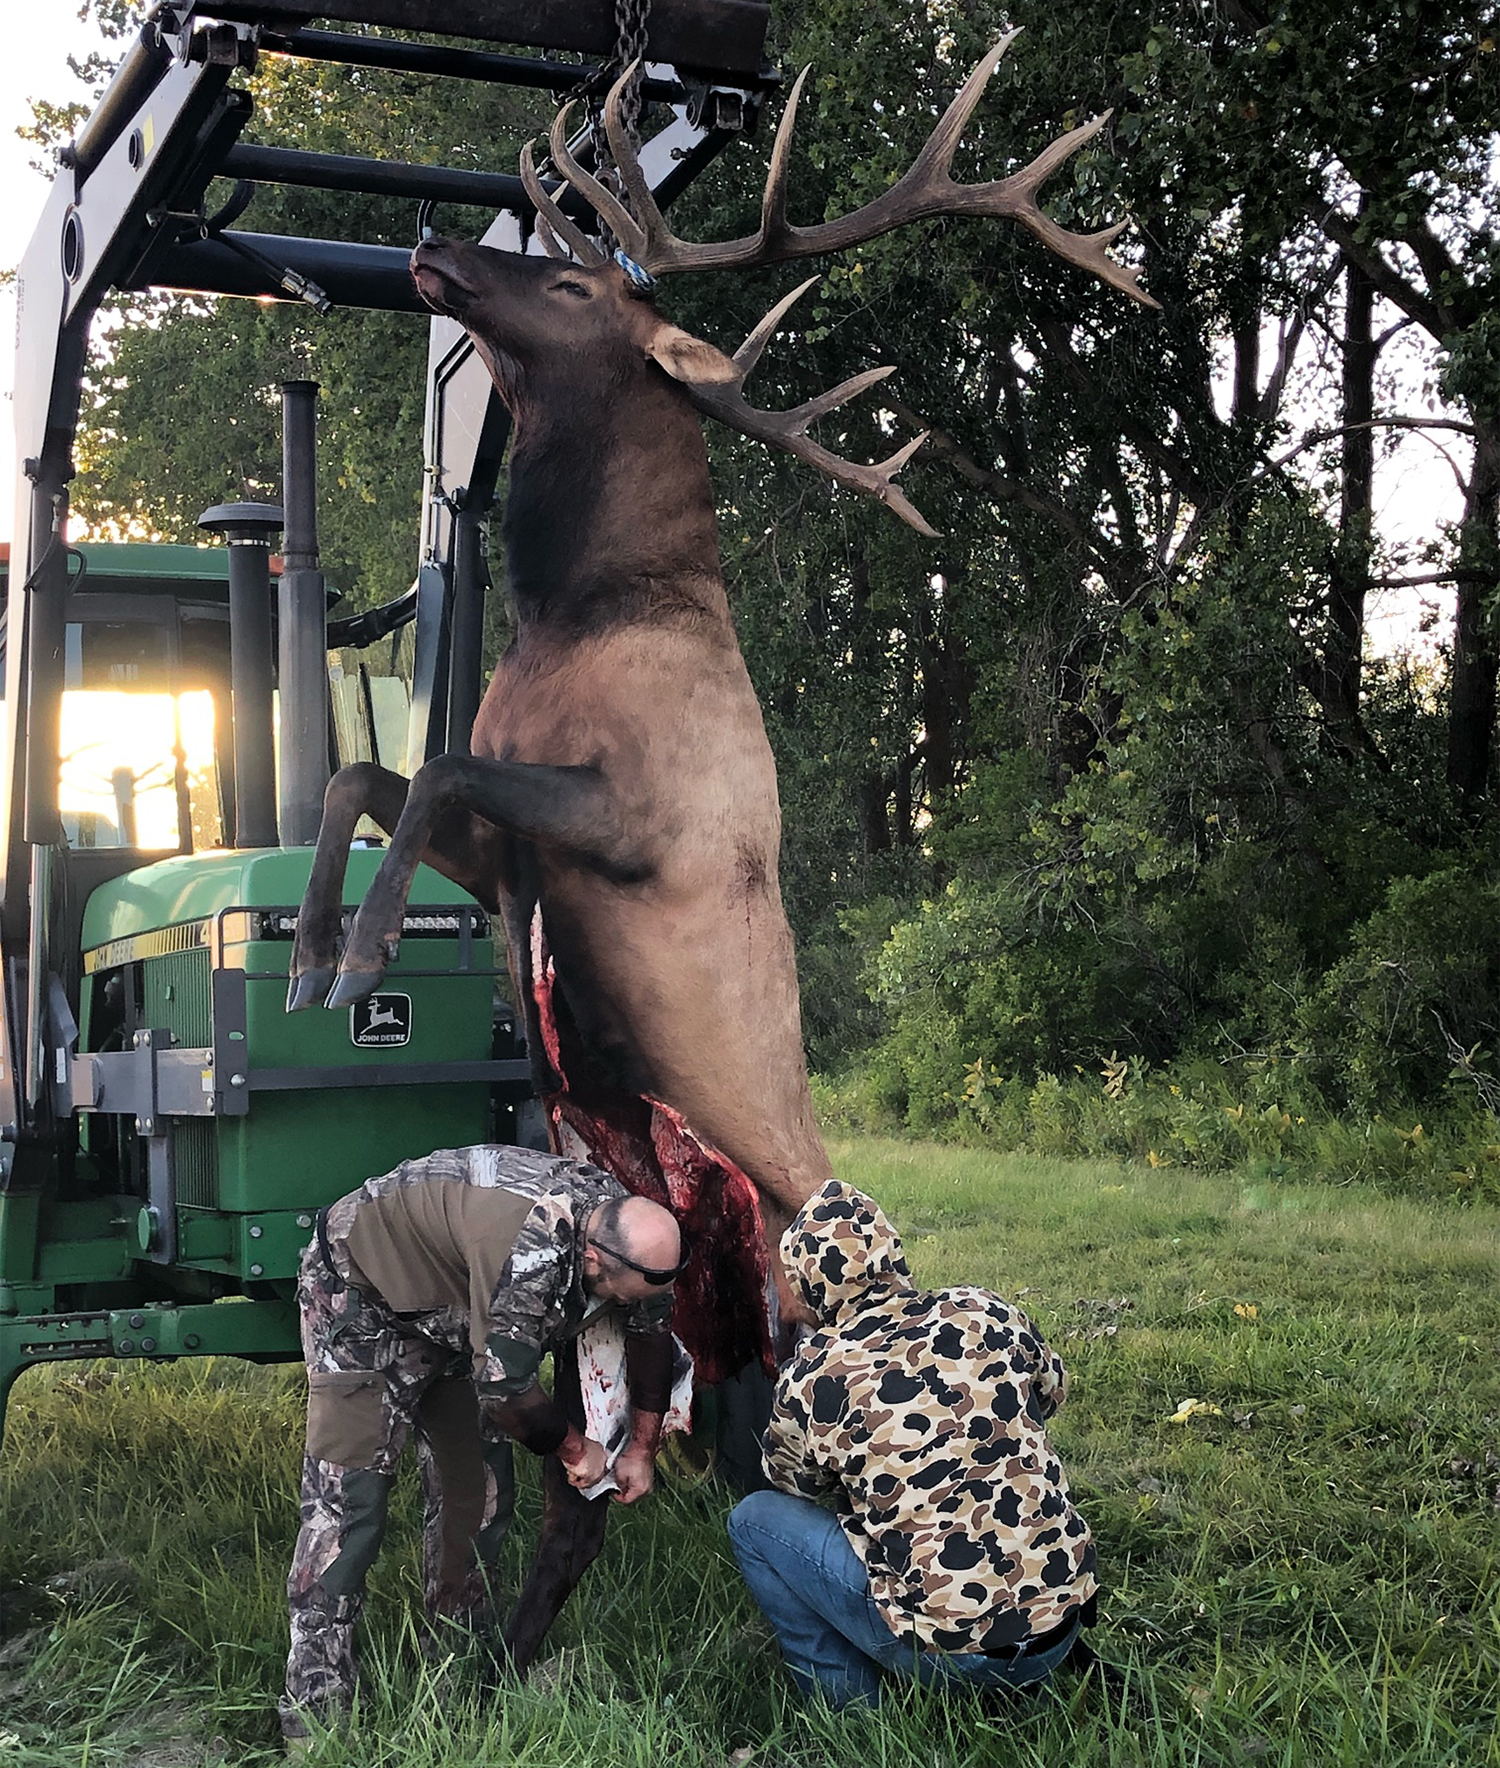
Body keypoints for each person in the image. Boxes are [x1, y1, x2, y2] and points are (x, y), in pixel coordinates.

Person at [280, 1143, 687, 1744]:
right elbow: (505, 1389)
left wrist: (640, 1450)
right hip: (364, 1299)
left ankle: (454, 1673)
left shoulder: (635, 1241)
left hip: (459, 1317)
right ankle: (315, 1707)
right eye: (629, 1293)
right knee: (350, 1503)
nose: (635, 1304)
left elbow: (652, 1341)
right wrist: (580, 1451)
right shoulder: (528, 1255)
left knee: (477, 1492)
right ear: (595, 1261)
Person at [727, 1179, 1096, 1709]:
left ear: (808, 1285)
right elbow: (1051, 1392)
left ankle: (851, 1714)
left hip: (956, 1659)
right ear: (892, 1250)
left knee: (754, 1520)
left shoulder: (812, 1377)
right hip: (1064, 1625)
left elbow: (792, 1484)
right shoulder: (985, 1310)